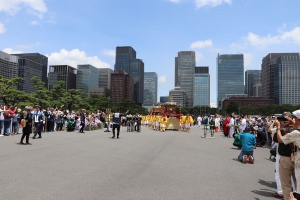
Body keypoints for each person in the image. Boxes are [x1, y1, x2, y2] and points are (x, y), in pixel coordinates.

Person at [276, 110, 300, 200]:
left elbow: (280, 140)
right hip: (295, 159)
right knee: (297, 184)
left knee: (286, 183)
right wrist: (292, 122)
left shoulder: (295, 133)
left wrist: (278, 127)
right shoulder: (295, 130)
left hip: (293, 160)